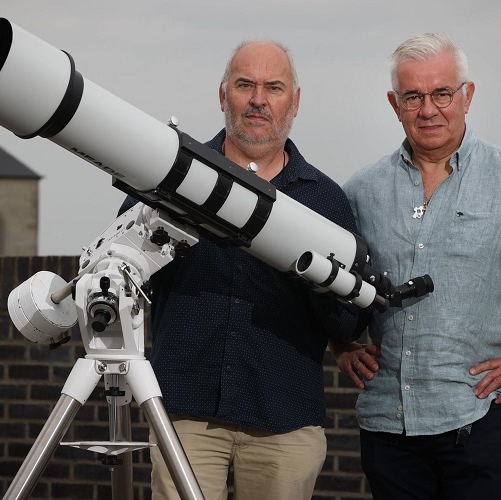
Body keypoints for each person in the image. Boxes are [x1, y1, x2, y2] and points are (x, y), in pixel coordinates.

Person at [330, 33, 501, 499]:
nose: (428, 109)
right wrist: (340, 344)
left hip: (477, 414)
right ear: (393, 103)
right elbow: (317, 269)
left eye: (442, 93)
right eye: (413, 96)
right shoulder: (363, 189)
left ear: (468, 96)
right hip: (387, 424)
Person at [118, 40, 362, 500]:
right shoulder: (174, 174)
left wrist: (310, 275)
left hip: (284, 420)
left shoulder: (324, 201)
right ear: (223, 94)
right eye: (245, 85)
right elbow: (126, 261)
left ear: (295, 100)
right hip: (186, 413)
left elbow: (348, 320)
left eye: (274, 87)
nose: (258, 99)